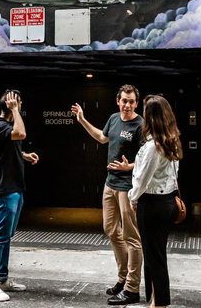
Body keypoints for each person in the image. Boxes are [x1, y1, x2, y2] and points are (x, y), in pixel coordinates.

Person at [71, 85, 143, 306]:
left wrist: (128, 167)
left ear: (136, 103)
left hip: (127, 186)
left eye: (131, 101)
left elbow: (146, 160)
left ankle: (132, 288)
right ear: (117, 101)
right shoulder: (113, 119)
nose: (127, 105)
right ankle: (122, 279)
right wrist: (82, 120)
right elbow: (102, 139)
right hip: (110, 183)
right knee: (111, 229)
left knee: (132, 238)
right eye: (124, 101)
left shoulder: (140, 125)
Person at [0, 89, 40, 302]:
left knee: (6, 236)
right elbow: (21, 134)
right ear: (11, 104)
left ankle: (2, 278)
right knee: (0, 237)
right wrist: (15, 111)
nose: (21, 105)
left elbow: (9, 145)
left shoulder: (4, 126)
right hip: (5, 190)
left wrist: (23, 155)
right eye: (19, 103)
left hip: (14, 188)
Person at [128, 94, 183, 308]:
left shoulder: (153, 146)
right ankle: (154, 300)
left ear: (151, 117)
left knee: (154, 257)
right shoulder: (172, 141)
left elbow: (142, 178)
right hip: (167, 201)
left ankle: (159, 303)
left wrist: (133, 199)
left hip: (152, 204)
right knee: (155, 254)